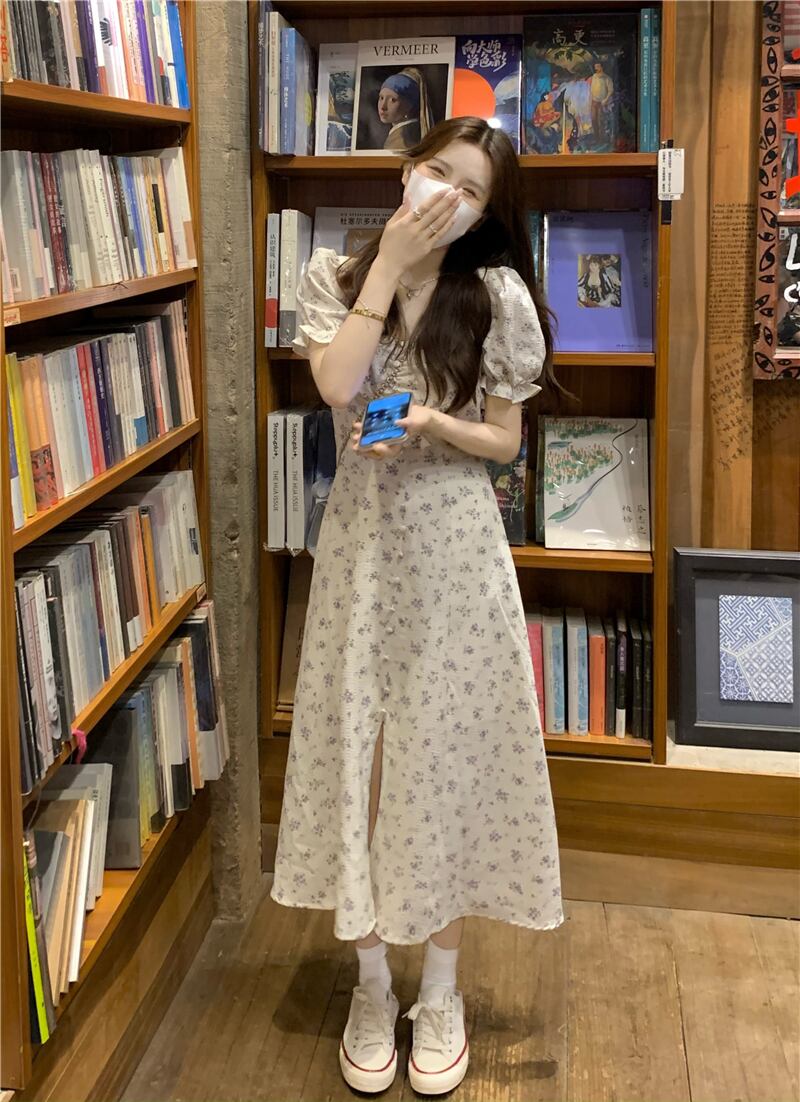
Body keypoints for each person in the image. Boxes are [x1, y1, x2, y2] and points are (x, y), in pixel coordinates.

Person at [270, 116, 564, 1096]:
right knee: (353, 752)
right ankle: (369, 984)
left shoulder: (496, 296)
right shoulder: (334, 275)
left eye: (470, 189)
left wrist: (435, 420)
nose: (447, 195)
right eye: (437, 171)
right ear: (406, 171)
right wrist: (390, 261)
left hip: (454, 550)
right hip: (359, 549)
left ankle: (438, 989)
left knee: (442, 759)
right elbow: (336, 384)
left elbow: (505, 441)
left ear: (487, 213)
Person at [377, 67, 433, 151]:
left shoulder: (401, 141)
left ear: (409, 105)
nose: (383, 107)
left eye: (393, 100)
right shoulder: (407, 133)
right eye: (381, 98)